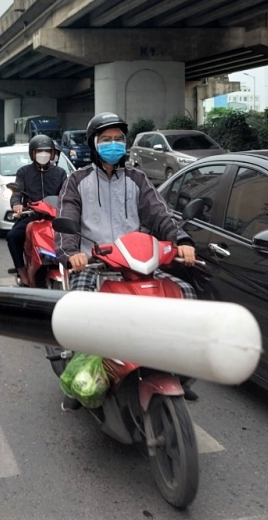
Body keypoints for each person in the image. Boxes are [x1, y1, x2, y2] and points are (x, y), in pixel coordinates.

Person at [55, 112, 198, 404]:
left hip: (137, 264)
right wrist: (71, 254)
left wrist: (181, 240)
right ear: (93, 144)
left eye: (118, 139)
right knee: (79, 309)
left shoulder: (137, 178)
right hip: (95, 264)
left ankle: (179, 371)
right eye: (105, 139)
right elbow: (66, 218)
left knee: (185, 293)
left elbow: (160, 214)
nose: (113, 144)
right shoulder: (77, 180)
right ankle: (81, 369)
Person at [7, 134, 67, 276]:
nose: (43, 154)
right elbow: (17, 193)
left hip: (55, 217)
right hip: (31, 216)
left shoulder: (60, 173)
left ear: (52, 154)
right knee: (12, 236)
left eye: (47, 151)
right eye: (39, 151)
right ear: (32, 153)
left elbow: (67, 194)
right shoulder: (23, 172)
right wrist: (16, 204)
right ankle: (21, 269)